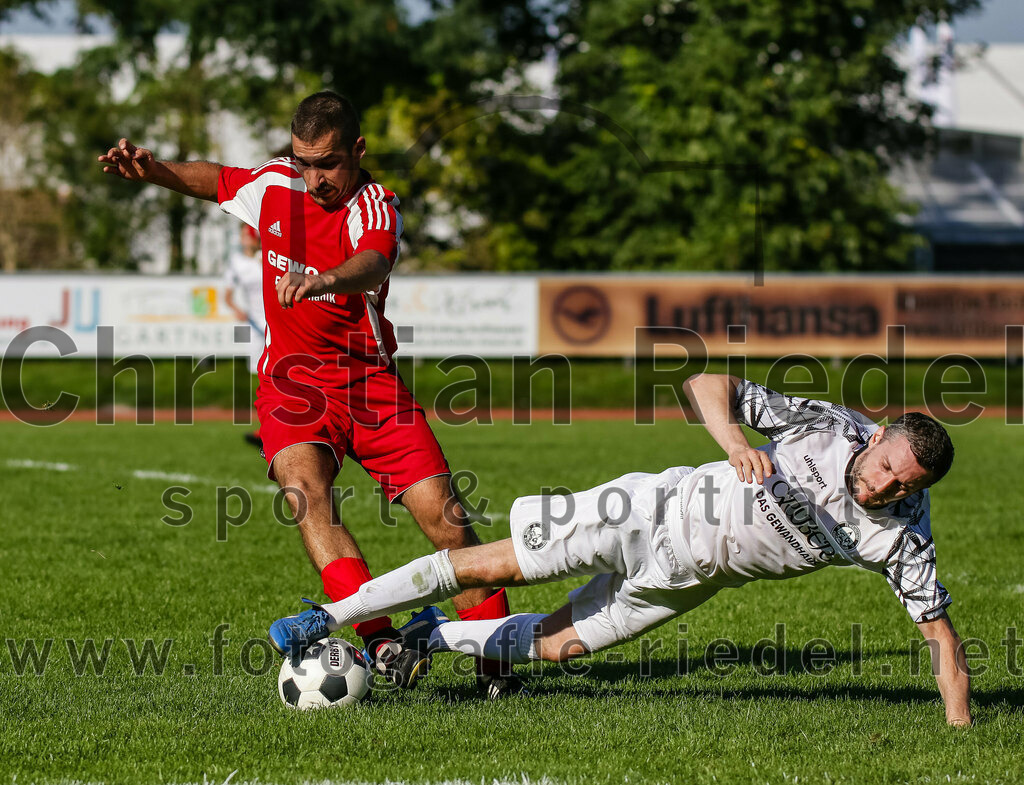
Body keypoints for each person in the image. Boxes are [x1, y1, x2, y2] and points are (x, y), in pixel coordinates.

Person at [99, 90, 516, 696]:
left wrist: (322, 280)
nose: (314, 178)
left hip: (372, 387)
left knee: (447, 524)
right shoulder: (274, 189)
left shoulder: (376, 206)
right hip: (293, 385)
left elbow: (373, 261)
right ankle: (381, 640)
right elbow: (216, 179)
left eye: (326, 163)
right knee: (306, 494)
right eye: (303, 162)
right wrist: (153, 170)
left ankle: (497, 669)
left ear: (358, 150)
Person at [269, 373, 972, 725]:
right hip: (645, 512)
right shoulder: (827, 427)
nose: (883, 489)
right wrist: (734, 445)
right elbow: (705, 381)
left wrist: (961, 730)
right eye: (885, 469)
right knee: (496, 561)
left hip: (687, 580)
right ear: (876, 436)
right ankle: (326, 619)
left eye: (902, 486)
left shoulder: (903, 533)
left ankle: (435, 634)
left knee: (557, 646)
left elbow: (939, 635)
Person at [223, 223, 265, 448]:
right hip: (255, 325)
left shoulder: (266, 255)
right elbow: (227, 295)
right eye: (243, 234)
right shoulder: (236, 262)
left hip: (278, 320)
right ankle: (265, 426)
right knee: (261, 375)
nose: (246, 238)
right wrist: (237, 309)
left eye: (249, 233)